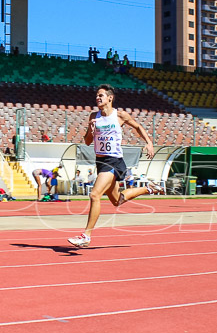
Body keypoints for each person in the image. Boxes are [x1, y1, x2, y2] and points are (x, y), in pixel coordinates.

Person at [68, 85, 165, 247]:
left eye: (101, 95)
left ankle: (86, 235)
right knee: (117, 200)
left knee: (94, 195)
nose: (97, 98)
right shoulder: (94, 116)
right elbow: (87, 141)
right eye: (97, 96)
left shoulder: (120, 115)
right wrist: (91, 130)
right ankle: (149, 188)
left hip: (113, 161)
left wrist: (149, 143)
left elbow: (138, 127)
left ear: (110, 98)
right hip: (100, 161)